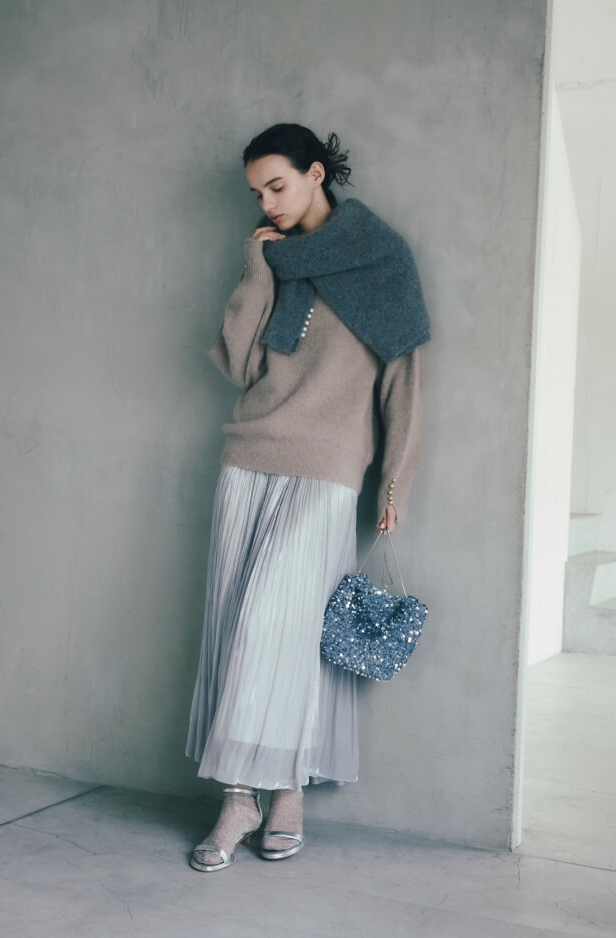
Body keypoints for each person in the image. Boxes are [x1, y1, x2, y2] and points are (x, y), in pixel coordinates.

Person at [185, 123, 429, 872]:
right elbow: (238, 365)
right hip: (248, 455)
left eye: (278, 186)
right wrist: (257, 270)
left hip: (329, 468)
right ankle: (240, 799)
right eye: (256, 193)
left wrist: (395, 478)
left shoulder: (382, 257)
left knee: (280, 631)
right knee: (237, 625)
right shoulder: (274, 257)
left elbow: (403, 379)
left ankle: (285, 790)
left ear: (316, 174)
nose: (268, 203)